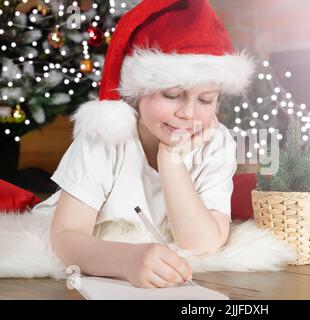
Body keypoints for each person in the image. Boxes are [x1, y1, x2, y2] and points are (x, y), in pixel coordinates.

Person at [45, 0, 255, 288]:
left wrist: (172, 161)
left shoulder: (216, 141)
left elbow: (201, 244)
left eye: (206, 99)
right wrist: (125, 261)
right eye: (171, 94)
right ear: (137, 92)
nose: (188, 113)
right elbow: (64, 237)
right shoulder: (105, 136)